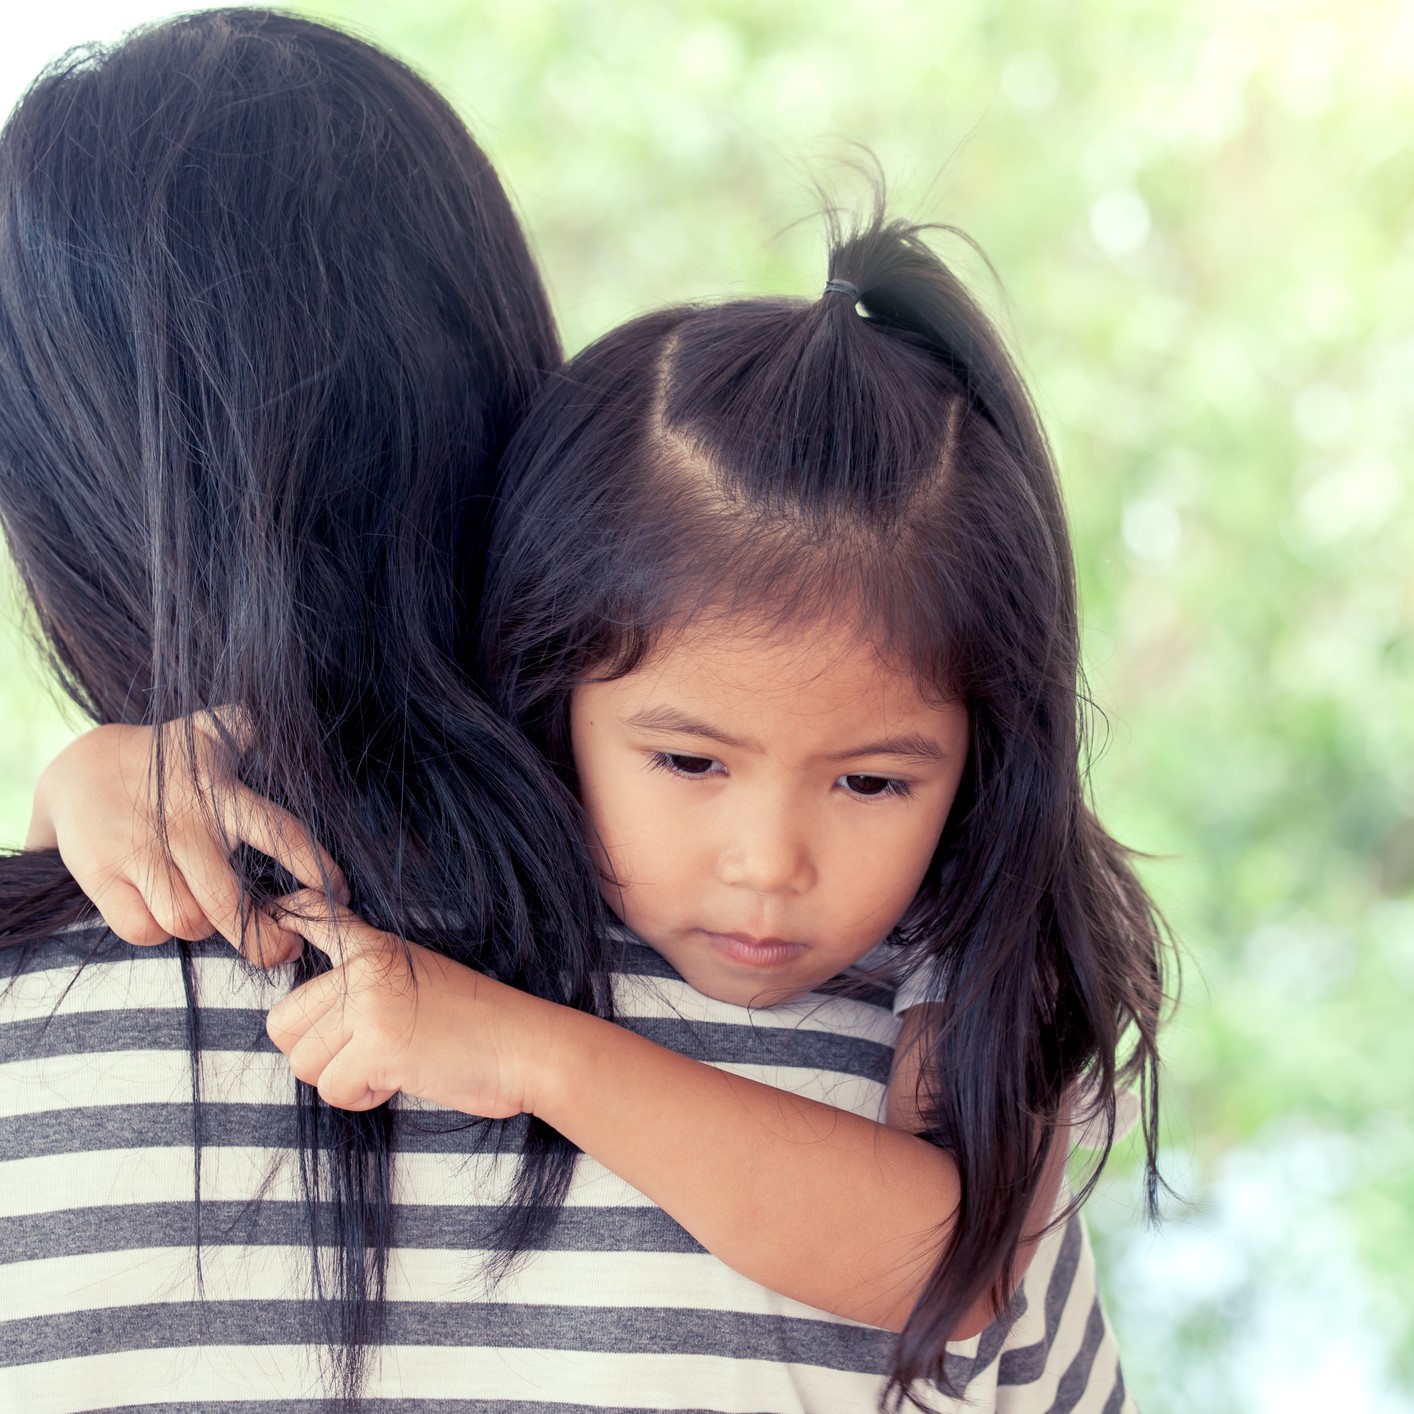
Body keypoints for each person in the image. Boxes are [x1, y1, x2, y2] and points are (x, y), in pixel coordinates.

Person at [12, 68, 1164, 1402]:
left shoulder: (954, 962)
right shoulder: (713, 922)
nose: (766, 860)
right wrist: (86, 786)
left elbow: (956, 1269)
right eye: (689, 761)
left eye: (869, 777)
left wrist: (524, 1047)